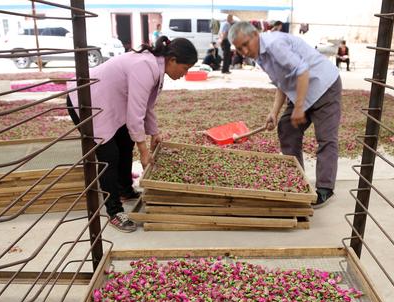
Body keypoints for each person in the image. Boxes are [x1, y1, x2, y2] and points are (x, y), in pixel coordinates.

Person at [66, 37, 197, 232]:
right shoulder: (145, 66)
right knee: (109, 155)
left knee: (126, 142)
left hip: (107, 103)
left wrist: (154, 133)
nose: (185, 74)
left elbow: (147, 106)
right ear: (172, 60)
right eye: (185, 68)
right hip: (86, 102)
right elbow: (136, 113)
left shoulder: (155, 68)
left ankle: (125, 190)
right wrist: (144, 150)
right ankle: (114, 211)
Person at [229, 21, 341, 208]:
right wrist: (274, 112)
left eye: (245, 44)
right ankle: (298, 179)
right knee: (287, 127)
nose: (244, 52)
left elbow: (303, 71)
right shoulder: (260, 56)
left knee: (326, 138)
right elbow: (282, 82)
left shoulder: (274, 45)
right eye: (239, 48)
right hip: (302, 90)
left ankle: (325, 188)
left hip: (324, 86)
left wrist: (298, 108)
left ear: (256, 35)